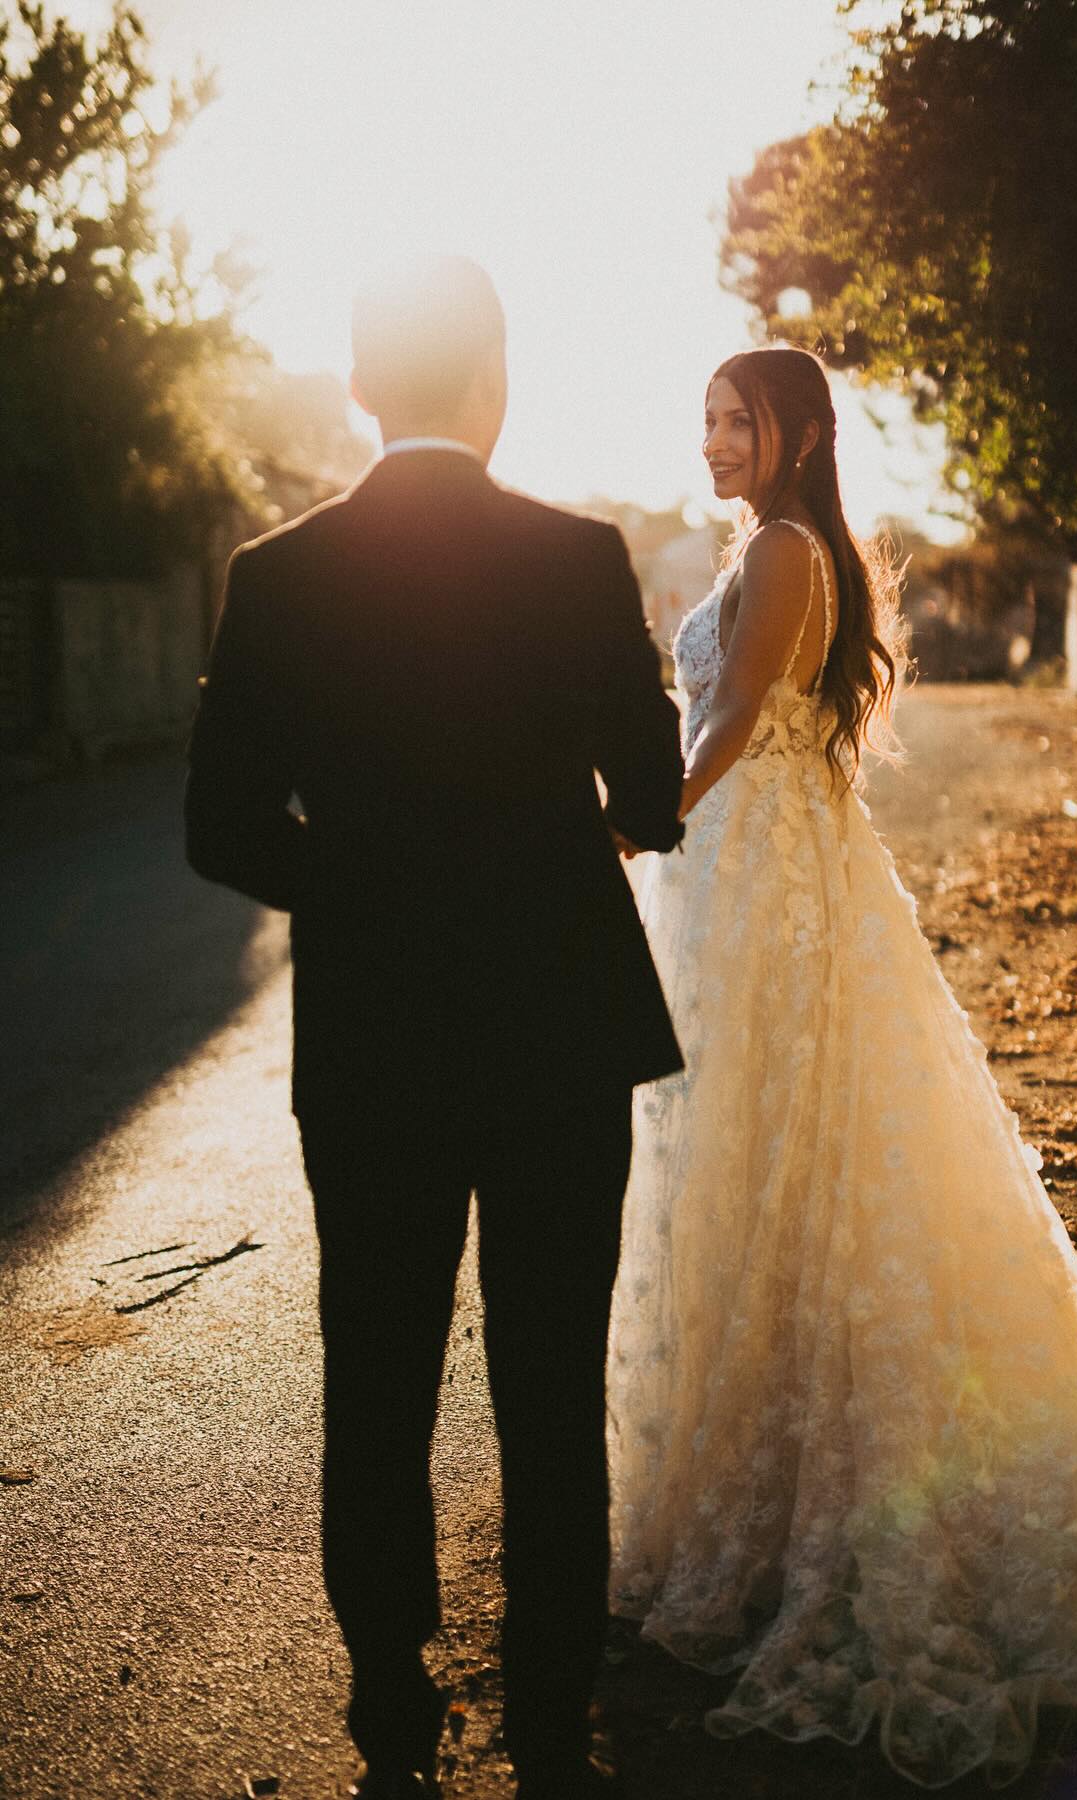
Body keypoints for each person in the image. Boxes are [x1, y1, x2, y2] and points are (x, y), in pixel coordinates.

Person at [606, 343, 1077, 1789]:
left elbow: (717, 730)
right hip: (760, 884)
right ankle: (751, 1478)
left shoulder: (778, 554)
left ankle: (788, 1503)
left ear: (796, 434)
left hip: (765, 891)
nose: (714, 438)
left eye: (738, 420)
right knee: (752, 1167)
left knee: (775, 1163)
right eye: (704, 416)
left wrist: (637, 817)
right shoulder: (781, 543)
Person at [185, 254, 684, 1799]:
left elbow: (218, 828)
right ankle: (550, 1726)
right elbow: (654, 802)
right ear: (495, 380)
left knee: (377, 1373)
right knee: (549, 1386)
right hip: (557, 1028)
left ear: (356, 387)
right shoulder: (579, 556)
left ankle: (391, 1705)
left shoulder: (273, 577)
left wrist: (361, 875)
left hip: (373, 1039)